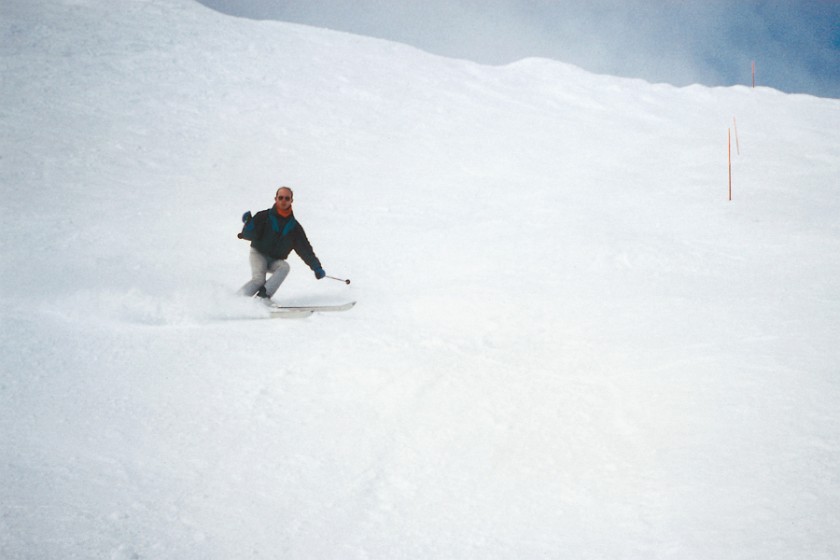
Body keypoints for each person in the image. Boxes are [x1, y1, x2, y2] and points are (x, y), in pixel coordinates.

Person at [237, 186, 326, 301]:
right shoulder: (263, 216)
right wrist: (248, 225)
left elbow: (305, 250)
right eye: (281, 198)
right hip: (258, 254)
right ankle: (236, 301)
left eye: (287, 198)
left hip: (274, 260)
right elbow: (249, 235)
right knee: (259, 280)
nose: (283, 201)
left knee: (284, 267)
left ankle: (262, 298)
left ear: (291, 201)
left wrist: (316, 267)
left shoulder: (294, 227)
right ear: (276, 199)